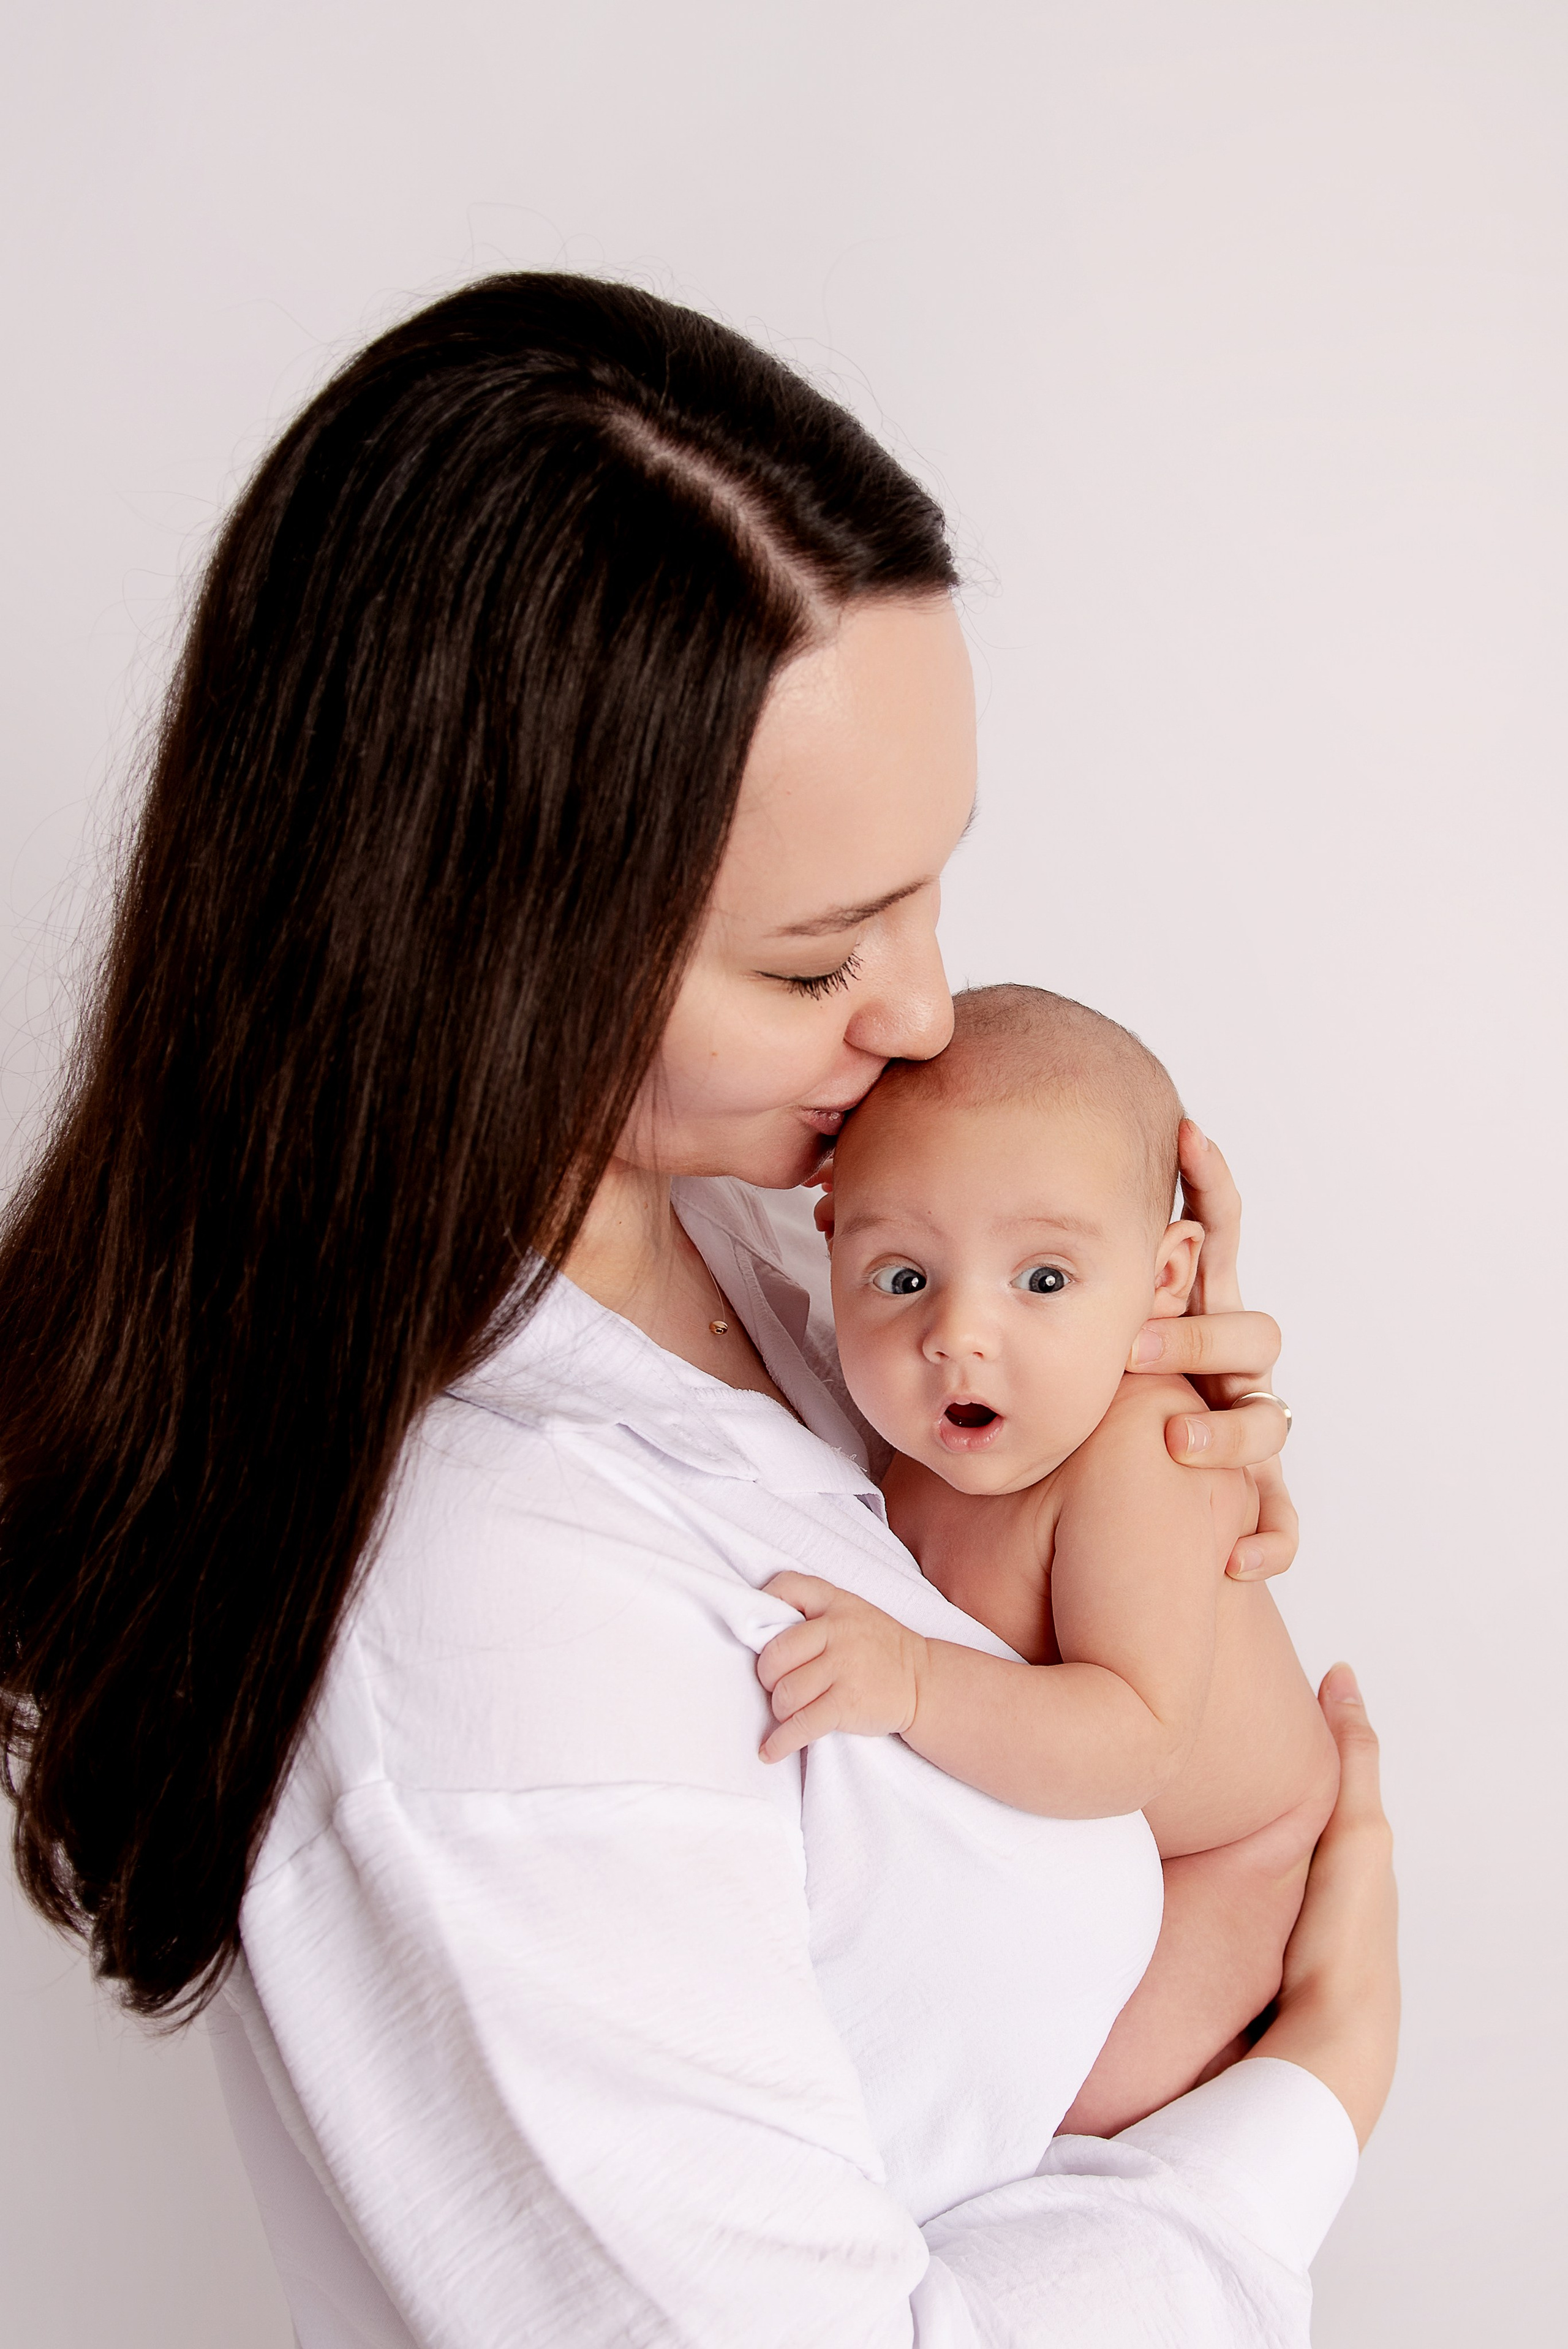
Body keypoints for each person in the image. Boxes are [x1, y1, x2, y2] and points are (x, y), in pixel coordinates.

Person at [0, 274, 1397, 2347]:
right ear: (491, 954)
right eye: (820, 955)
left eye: (934, 890)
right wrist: (1310, 2092)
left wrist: (1101, 1458)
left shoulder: (764, 1244)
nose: (922, 1011)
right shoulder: (480, 1609)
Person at [756, 983, 1341, 2137]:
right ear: (833, 1245)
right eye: (905, 1276)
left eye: (1044, 1280)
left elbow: (1131, 1736)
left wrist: (917, 1683)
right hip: (1075, 1841)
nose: (958, 1334)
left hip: (1227, 1862)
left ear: (1165, 1280)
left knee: (1065, 2114)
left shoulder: (1140, 1457)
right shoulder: (918, 1422)